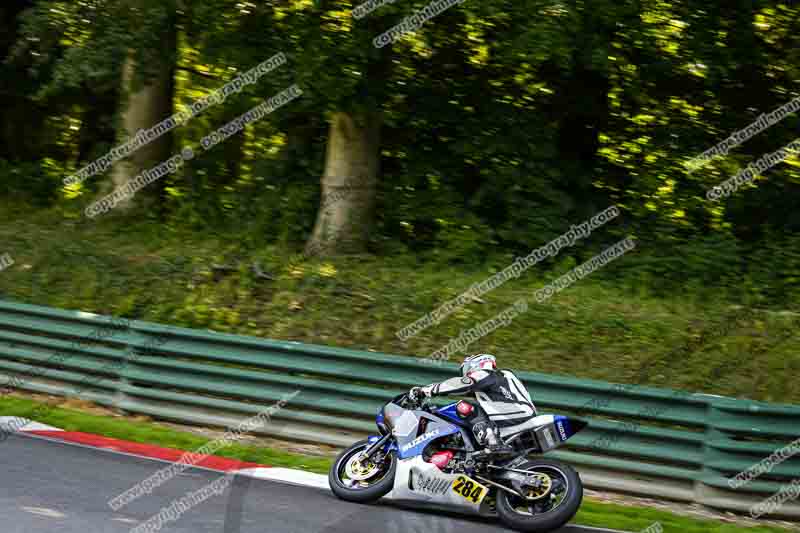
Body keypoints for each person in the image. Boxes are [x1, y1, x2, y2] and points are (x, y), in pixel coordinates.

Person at [408, 353, 537, 456]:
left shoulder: (487, 373)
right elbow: (457, 390)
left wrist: (426, 390)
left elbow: (459, 384)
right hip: (516, 413)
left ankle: (493, 442)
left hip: (518, 411)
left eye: (466, 370)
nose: (465, 374)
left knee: (464, 407)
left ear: (475, 364)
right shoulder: (496, 381)